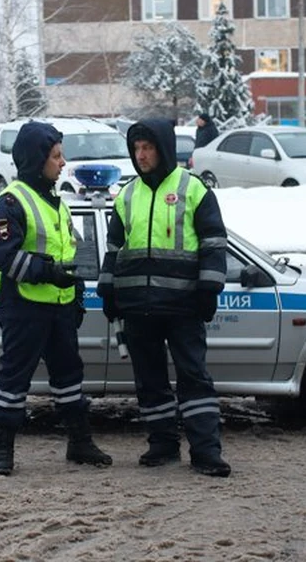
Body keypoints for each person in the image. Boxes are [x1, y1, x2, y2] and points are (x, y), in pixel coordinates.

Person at [97, 118, 231, 477]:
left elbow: (215, 244)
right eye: (136, 149)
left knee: (194, 378)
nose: (141, 156)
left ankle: (206, 452)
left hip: (184, 306)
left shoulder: (194, 189)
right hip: (138, 306)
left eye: (148, 148)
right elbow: (113, 249)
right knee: (150, 380)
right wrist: (107, 287)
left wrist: (209, 288)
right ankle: (162, 445)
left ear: (164, 149)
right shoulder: (126, 195)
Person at [0, 121, 113, 476]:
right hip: (23, 305)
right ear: (36, 159)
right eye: (56, 156)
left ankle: (79, 442)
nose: (62, 162)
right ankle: (2, 448)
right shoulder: (11, 201)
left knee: (69, 376)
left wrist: (76, 295)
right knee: (13, 379)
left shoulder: (56, 202)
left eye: (61, 154)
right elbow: (3, 256)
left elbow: (68, 251)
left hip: (58, 306)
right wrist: (47, 272)